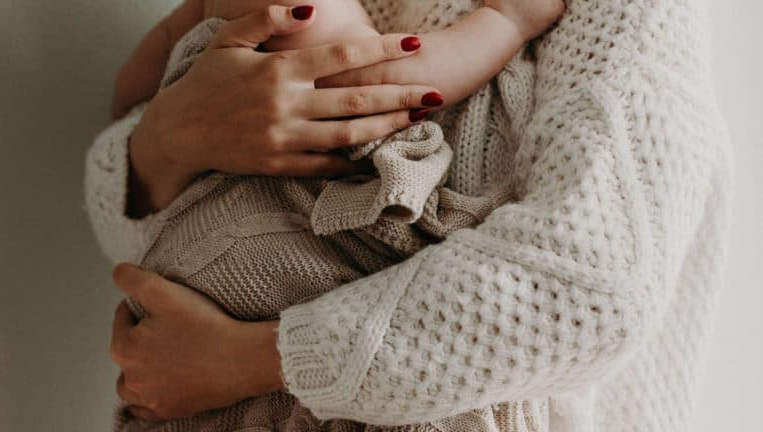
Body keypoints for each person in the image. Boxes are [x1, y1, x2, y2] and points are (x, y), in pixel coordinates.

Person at [86, 0, 733, 431]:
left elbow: (595, 287)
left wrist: (247, 359)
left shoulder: (625, 16)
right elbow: (142, 235)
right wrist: (169, 137)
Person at [109, 0, 558, 430]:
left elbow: (128, 92)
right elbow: (379, 84)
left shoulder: (188, 15)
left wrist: (165, 121)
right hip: (282, 246)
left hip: (208, 283)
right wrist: (506, 22)